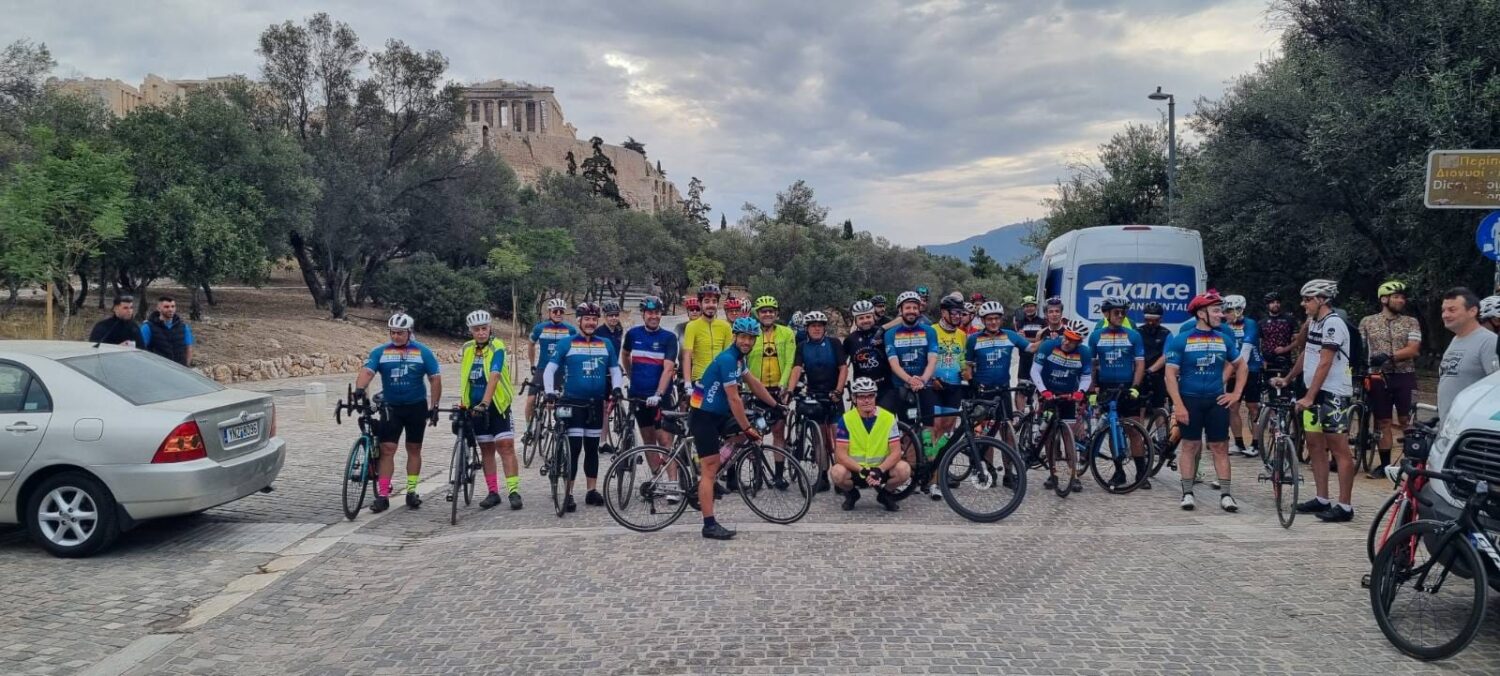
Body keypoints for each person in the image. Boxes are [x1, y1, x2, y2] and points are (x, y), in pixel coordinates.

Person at [689, 317, 782, 540]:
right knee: (710, 470)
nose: (746, 341)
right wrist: (747, 426)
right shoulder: (728, 359)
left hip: (717, 414)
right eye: (743, 337)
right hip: (703, 415)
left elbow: (755, 383)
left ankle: (705, 480)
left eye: (750, 338)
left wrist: (776, 405)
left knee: (741, 437)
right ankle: (709, 525)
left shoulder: (740, 360)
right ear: (735, 337)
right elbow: (734, 399)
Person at [1272, 279, 1357, 522]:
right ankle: (1322, 498)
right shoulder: (1313, 322)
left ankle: (1345, 506)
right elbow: (1308, 356)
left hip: (1333, 393)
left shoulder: (1334, 324)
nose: (1303, 304)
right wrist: (1288, 379)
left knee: (1338, 447)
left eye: (1307, 299)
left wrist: (1310, 396)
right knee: (1315, 444)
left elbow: (1326, 362)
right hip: (1313, 391)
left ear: (1322, 299)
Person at [354, 313, 442, 513]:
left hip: (416, 407)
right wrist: (359, 388)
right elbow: (368, 371)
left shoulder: (423, 352)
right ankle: (383, 495)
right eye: (392, 333)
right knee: (387, 449)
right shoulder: (381, 351)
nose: (396, 336)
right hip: (391, 407)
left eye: (400, 333)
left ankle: (411, 491)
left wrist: (434, 406)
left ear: (409, 332)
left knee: (414, 449)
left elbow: (434, 378)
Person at [1165, 293, 1245, 512]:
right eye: (1216, 311)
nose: (1221, 314)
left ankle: (1227, 495)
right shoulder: (1182, 339)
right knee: (1190, 446)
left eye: (1221, 310)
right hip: (1190, 400)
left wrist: (1236, 394)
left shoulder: (1224, 339)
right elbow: (1170, 375)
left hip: (1216, 400)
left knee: (1220, 447)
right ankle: (1187, 493)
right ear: (1201, 313)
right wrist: (1178, 405)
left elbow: (1242, 366)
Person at [543, 302, 624, 512]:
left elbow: (615, 370)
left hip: (595, 403)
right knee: (575, 448)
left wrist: (616, 388)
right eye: (586, 319)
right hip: (573, 402)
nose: (590, 323)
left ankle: (591, 490)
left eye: (593, 319)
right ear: (579, 321)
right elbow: (549, 370)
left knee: (592, 450)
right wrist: (550, 391)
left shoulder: (605, 343)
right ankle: (569, 493)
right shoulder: (566, 343)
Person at [1358, 280, 1423, 478]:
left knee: (1407, 420)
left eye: (1403, 297)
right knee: (1382, 421)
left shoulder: (1411, 321)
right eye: (1396, 297)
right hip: (1378, 377)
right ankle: (1384, 465)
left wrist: (1390, 357)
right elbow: (1360, 347)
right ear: (1384, 299)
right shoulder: (1367, 321)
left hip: (1406, 375)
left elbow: (1414, 349)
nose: (1401, 301)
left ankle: (1411, 464)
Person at [460, 310, 522, 510]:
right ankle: (493, 492)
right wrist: (464, 403)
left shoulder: (498, 346)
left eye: (484, 329)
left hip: (496, 406)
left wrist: (485, 403)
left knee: (505, 447)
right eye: (476, 330)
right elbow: (465, 377)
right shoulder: (467, 348)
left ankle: (513, 491)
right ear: (471, 331)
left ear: (490, 328)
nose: (481, 333)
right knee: (486, 449)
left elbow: (494, 375)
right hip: (475, 408)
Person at [1087, 296, 1150, 488]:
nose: (1121, 315)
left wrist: (1136, 386)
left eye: (1123, 312)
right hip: (1107, 387)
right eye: (1117, 312)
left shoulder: (1134, 335)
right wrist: (1092, 389)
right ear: (1106, 314)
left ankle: (1141, 473)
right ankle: (1119, 472)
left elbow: (1140, 364)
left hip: (1127, 385)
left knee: (1134, 430)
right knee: (1111, 429)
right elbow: (1091, 365)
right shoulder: (1096, 336)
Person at [1030, 320, 1095, 494]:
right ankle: (1053, 473)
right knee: (1049, 436)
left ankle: (1074, 476)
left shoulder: (1084, 352)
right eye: (1066, 337)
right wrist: (1043, 391)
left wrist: (1081, 391)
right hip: (1048, 392)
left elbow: (1086, 377)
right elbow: (1035, 371)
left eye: (1072, 340)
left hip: (1068, 395)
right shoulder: (1048, 346)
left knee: (1069, 437)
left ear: (1079, 342)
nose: (1066, 342)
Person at [884, 291, 939, 492]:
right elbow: (893, 363)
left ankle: (932, 481)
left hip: (924, 387)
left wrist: (923, 380)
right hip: (902, 388)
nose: (912, 311)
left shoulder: (929, 331)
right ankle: (913, 476)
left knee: (928, 433)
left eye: (915, 307)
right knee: (907, 434)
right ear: (900, 310)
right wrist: (909, 380)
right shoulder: (890, 334)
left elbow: (933, 358)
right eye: (908, 307)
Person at [831, 377, 912, 511]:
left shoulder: (888, 418)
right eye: (862, 397)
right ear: (854, 398)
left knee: (904, 470)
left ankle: (885, 495)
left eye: (870, 395)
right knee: (836, 472)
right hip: (857, 470)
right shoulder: (846, 420)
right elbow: (840, 455)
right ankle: (852, 495)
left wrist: (879, 470)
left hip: (881, 469)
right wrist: (863, 470)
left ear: (875, 396)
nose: (867, 400)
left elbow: (896, 452)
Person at [788, 310, 847, 492]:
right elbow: (797, 369)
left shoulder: (834, 343)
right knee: (819, 439)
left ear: (824, 328)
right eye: (812, 326)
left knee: (839, 438)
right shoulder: (802, 346)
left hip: (833, 395)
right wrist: (789, 390)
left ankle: (841, 476)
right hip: (815, 396)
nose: (816, 329)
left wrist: (838, 390)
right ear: (807, 328)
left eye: (819, 326)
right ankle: (822, 477)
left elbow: (843, 368)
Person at [747, 295, 797, 472]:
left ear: (776, 314)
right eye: (763, 311)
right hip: (755, 391)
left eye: (771, 311)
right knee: (756, 432)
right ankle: (758, 473)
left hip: (778, 389)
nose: (767, 314)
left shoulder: (787, 332)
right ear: (757, 314)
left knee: (778, 431)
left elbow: (790, 361)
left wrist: (784, 385)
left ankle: (778, 473)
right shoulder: (750, 332)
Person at [926, 295, 969, 496]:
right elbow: (926, 358)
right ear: (943, 312)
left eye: (961, 313)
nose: (958, 316)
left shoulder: (961, 334)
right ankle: (932, 478)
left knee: (946, 431)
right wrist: (931, 377)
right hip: (935, 387)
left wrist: (966, 370)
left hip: (954, 386)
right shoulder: (931, 331)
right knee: (933, 430)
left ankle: (938, 468)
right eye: (954, 313)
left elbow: (961, 357)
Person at [623, 296, 679, 450]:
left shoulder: (669, 338)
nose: (654, 316)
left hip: (659, 398)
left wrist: (658, 394)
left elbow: (668, 369)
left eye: (657, 312)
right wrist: (631, 375)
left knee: (665, 443)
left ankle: (672, 475)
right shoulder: (632, 334)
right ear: (643, 314)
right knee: (648, 442)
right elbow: (625, 354)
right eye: (650, 312)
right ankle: (655, 474)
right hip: (638, 397)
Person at [1436, 288, 1499, 418]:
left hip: (1471, 429)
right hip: (1448, 427)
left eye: (1452, 310)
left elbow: (1496, 389)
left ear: (1472, 311)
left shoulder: (1489, 342)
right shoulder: (1456, 339)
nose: (1445, 315)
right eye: (1443, 310)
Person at [1221, 295, 1262, 457]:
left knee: (1253, 407)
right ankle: (1238, 443)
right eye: (1225, 311)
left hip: (1251, 369)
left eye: (1229, 311)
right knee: (1233, 407)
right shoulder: (1224, 327)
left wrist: (1230, 371)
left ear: (1239, 310)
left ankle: (1256, 444)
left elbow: (1245, 351)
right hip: (1233, 370)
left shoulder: (1250, 324)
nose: (1226, 314)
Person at [527, 298, 578, 416]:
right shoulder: (539, 328)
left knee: (562, 404)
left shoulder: (570, 330)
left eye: (561, 311)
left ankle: (560, 430)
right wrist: (532, 364)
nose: (558, 314)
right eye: (555, 311)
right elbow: (531, 344)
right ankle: (528, 428)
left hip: (561, 370)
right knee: (530, 400)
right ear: (549, 312)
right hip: (543, 367)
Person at [681, 283, 733, 393]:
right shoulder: (692, 326)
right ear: (700, 303)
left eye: (714, 301)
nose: (711, 304)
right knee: (698, 410)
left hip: (721, 381)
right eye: (707, 301)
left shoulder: (726, 326)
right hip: (700, 380)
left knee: (721, 410)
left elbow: (729, 356)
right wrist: (687, 383)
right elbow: (687, 356)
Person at [844, 299, 892, 414]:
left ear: (873, 317)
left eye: (868, 317)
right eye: (861, 318)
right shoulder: (850, 339)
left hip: (885, 388)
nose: (865, 320)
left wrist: (884, 328)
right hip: (862, 391)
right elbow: (842, 365)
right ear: (855, 320)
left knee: (886, 425)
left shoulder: (884, 334)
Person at [1138, 302, 1173, 418]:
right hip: (1140, 374)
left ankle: (1162, 436)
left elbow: (1166, 355)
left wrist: (1150, 370)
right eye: (1148, 319)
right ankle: (1139, 434)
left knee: (1158, 407)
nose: (1151, 323)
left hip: (1158, 375)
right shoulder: (1138, 332)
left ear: (1161, 319)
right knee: (1139, 408)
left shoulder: (1166, 334)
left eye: (1155, 320)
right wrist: (1141, 371)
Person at [1012, 295, 1047, 411]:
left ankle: (1039, 414)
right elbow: (1019, 340)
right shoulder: (1020, 322)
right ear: (1024, 308)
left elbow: (1044, 341)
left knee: (1040, 387)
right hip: (1025, 358)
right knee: (1021, 387)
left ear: (1036, 307)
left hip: (1039, 358)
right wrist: (1035, 340)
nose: (1029, 308)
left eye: (1031, 306)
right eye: (1027, 306)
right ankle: (1020, 415)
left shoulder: (1043, 322)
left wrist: (1027, 340)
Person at [141, 296, 194, 365]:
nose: (170, 309)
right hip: (158, 369)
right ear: (159, 308)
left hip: (179, 369)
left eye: (173, 306)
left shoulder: (184, 327)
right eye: (166, 307)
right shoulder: (147, 327)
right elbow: (141, 349)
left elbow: (189, 349)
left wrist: (186, 367)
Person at [1259, 292, 1298, 385]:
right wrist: (1261, 359)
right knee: (1268, 387)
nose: (1275, 304)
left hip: (1286, 360)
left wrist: (1285, 349)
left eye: (1277, 302)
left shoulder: (1289, 320)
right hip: (1267, 361)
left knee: (1286, 388)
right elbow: (1258, 343)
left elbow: (1299, 340)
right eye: (1272, 302)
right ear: (1268, 305)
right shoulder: (1262, 322)